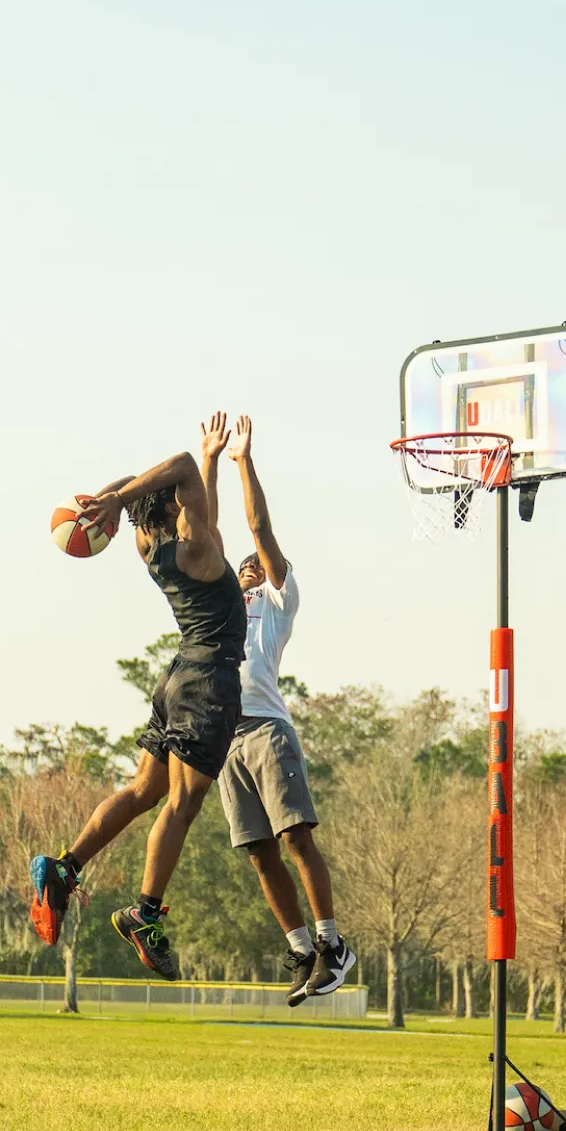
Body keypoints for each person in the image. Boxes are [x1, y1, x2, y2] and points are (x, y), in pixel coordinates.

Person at [29, 417, 246, 978]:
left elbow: (181, 492)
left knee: (143, 788)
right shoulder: (199, 547)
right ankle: (145, 914)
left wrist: (115, 497)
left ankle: (65, 866)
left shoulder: (151, 545)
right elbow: (177, 468)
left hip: (174, 679)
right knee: (181, 802)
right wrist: (133, 490)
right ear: (178, 509)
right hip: (208, 682)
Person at [211, 415, 355, 1004]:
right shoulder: (219, 601)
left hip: (267, 729)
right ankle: (299, 949)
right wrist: (206, 464)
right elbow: (210, 535)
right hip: (224, 739)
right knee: (259, 854)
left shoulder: (275, 598)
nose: (248, 566)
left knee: (295, 840)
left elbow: (256, 526)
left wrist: (242, 461)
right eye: (241, 565)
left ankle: (332, 945)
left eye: (256, 564)